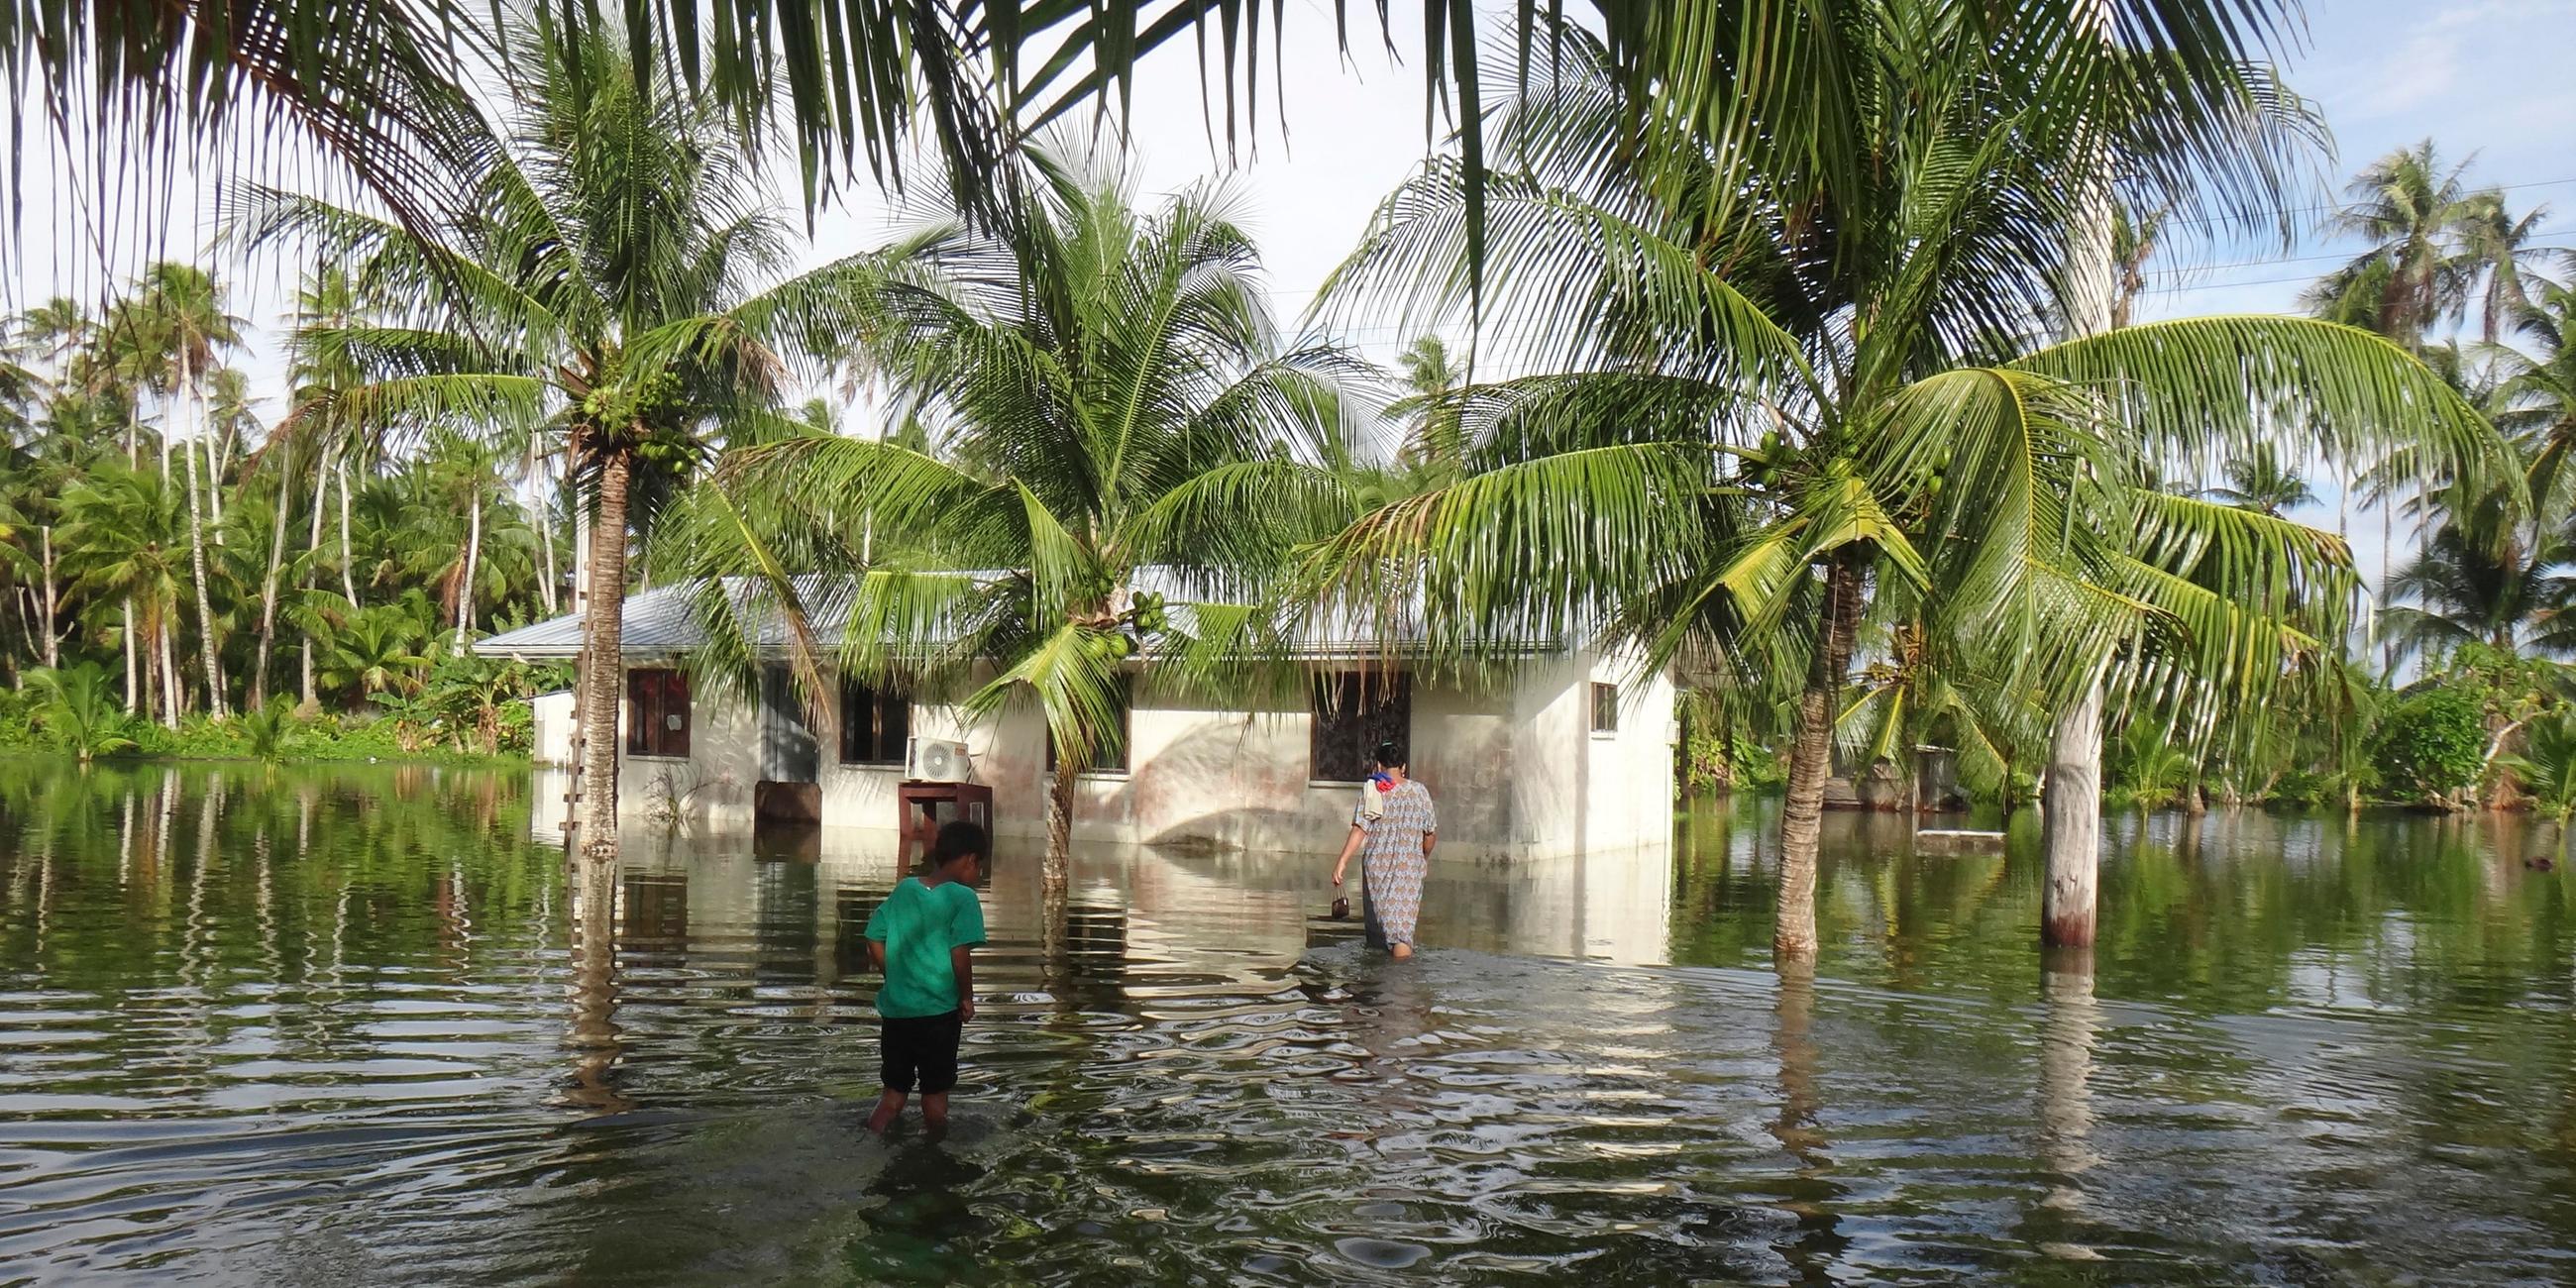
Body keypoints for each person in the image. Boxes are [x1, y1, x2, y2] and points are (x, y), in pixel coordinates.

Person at [864, 819, 989, 1134]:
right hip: (939, 1017)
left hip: (897, 1013)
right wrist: (966, 998)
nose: (978, 876)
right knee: (935, 1097)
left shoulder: (905, 888)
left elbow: (872, 937)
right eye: (979, 868)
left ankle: (870, 1136)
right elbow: (960, 955)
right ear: (971, 860)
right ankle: (934, 1157)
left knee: (893, 1096)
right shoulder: (963, 899)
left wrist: (893, 976)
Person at [1330, 740, 1436, 959]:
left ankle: (1379, 982)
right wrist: (1422, 857)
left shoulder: (1373, 790)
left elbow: (1360, 828)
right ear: (1403, 767)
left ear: (1379, 766)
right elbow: (1430, 834)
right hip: (1409, 870)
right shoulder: (1420, 792)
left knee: (1379, 928)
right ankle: (1400, 980)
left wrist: (1342, 861)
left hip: (1377, 868)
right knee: (1401, 931)